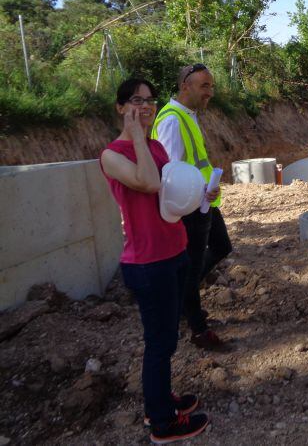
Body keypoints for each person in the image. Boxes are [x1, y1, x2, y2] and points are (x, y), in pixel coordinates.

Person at [100, 77, 209, 444]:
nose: (145, 107)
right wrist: (136, 137)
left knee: (168, 339)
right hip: (148, 263)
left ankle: (161, 399)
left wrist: (200, 192)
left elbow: (168, 194)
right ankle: (161, 422)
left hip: (174, 250)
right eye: (135, 100)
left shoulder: (156, 148)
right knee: (159, 344)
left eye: (149, 100)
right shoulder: (113, 155)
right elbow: (147, 183)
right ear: (120, 107)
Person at [151, 63, 232, 351]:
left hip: (204, 201)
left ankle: (184, 299)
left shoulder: (189, 115)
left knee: (222, 246)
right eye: (204, 86)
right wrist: (194, 196)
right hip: (189, 209)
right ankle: (197, 326)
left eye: (211, 86)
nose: (210, 92)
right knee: (192, 264)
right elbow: (170, 173)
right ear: (185, 85)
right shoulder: (172, 120)